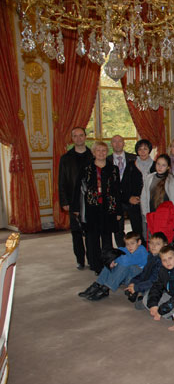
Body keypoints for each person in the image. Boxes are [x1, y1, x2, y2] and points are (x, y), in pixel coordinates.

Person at [72, 141, 122, 275]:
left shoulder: (113, 169)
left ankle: (107, 264)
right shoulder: (86, 169)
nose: (101, 153)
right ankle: (95, 266)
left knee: (107, 239)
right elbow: (78, 189)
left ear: (107, 152)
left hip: (108, 208)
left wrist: (118, 211)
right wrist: (76, 208)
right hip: (90, 209)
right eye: (98, 150)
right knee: (92, 239)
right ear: (93, 153)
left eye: (104, 150)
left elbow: (117, 191)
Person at [58, 126, 93, 270]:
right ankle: (80, 259)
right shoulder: (65, 158)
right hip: (73, 199)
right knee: (76, 231)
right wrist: (64, 201)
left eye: (81, 135)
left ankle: (92, 259)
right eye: (75, 136)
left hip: (91, 200)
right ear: (72, 139)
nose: (78, 138)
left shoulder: (93, 155)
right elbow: (61, 181)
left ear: (85, 137)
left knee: (91, 232)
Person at [78, 231, 149, 301]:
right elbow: (119, 250)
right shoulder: (129, 249)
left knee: (125, 265)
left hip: (139, 279)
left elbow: (126, 262)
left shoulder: (142, 252)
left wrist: (115, 259)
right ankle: (97, 284)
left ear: (139, 242)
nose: (130, 246)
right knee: (112, 261)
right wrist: (112, 260)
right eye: (127, 244)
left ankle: (106, 288)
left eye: (132, 243)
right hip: (130, 277)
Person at [120, 139, 154, 245]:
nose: (143, 151)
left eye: (145, 149)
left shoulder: (156, 165)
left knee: (151, 230)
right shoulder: (131, 165)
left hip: (151, 204)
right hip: (135, 205)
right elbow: (124, 186)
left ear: (149, 150)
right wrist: (129, 198)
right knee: (137, 231)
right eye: (140, 149)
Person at [125, 232, 168, 308]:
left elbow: (154, 281)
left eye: (157, 244)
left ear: (165, 245)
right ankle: (141, 293)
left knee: (141, 304)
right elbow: (144, 273)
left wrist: (136, 287)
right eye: (151, 243)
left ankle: (143, 295)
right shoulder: (151, 256)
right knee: (132, 284)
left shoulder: (163, 261)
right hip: (150, 283)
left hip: (160, 287)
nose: (153, 246)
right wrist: (133, 282)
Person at [140, 154, 174, 240]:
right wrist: (146, 214)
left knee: (163, 240)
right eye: (158, 164)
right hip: (151, 214)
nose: (160, 167)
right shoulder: (149, 177)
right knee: (151, 239)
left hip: (164, 216)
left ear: (168, 167)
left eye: (163, 165)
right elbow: (144, 197)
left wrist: (169, 215)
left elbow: (173, 200)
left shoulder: (170, 179)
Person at [145, 245, 174, 321]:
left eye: (170, 258)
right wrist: (153, 305)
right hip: (171, 296)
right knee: (146, 298)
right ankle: (172, 315)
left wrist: (161, 310)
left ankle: (173, 314)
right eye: (164, 260)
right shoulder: (163, 270)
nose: (167, 262)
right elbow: (157, 286)